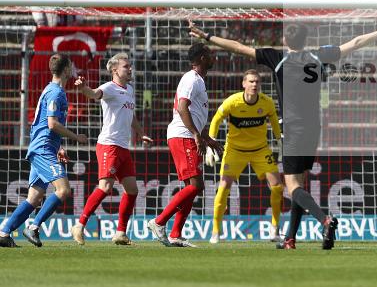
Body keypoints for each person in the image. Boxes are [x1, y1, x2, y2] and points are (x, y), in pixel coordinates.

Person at [188, 12, 377, 250]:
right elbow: (354, 43)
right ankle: (290, 239)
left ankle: (325, 220)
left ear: (287, 41)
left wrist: (206, 36)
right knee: (299, 182)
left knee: (292, 186)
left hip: (293, 129)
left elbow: (238, 47)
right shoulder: (319, 56)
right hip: (314, 128)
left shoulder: (277, 58)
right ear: (305, 39)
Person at [0, 54, 88, 248]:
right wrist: (76, 137)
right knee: (63, 190)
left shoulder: (51, 90)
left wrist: (59, 147)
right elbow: (51, 124)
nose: (73, 70)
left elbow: (42, 124)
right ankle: (33, 226)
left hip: (45, 146)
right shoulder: (56, 93)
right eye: (71, 67)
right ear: (65, 70)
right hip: (43, 149)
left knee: (34, 197)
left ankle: (4, 232)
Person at [71, 53, 153, 246]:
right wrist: (83, 88)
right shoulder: (109, 88)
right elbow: (93, 94)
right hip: (109, 144)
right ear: (115, 70)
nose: (130, 69)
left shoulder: (130, 89)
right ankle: (80, 224)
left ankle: (120, 233)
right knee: (105, 187)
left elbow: (131, 116)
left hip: (124, 147)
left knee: (132, 189)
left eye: (130, 66)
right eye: (126, 66)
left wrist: (141, 134)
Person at [147, 43, 222, 248]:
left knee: (194, 186)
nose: (213, 56)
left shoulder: (199, 81)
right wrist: (196, 134)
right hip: (183, 136)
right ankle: (159, 222)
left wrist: (206, 138)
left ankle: (176, 233)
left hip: (188, 135)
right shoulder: (191, 79)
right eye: (210, 54)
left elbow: (195, 114)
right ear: (202, 58)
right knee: (196, 185)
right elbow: (182, 107)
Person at [206, 70, 282, 244]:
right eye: (251, 81)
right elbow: (216, 119)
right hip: (235, 150)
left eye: (257, 82)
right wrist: (211, 145)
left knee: (277, 187)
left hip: (260, 149)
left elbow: (274, 120)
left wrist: (279, 141)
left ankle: (274, 230)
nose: (254, 85)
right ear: (244, 84)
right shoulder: (233, 102)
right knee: (224, 187)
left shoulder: (267, 102)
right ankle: (216, 231)